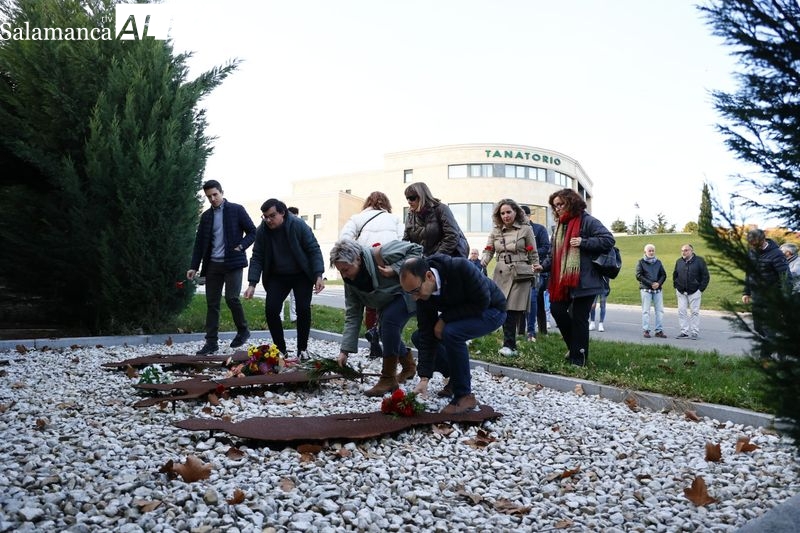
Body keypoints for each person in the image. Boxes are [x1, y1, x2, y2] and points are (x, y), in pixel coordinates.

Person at [400, 255, 506, 414]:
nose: (415, 297)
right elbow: (426, 334)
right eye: (410, 293)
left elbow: (482, 301)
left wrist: (444, 319)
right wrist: (424, 379)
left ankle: (464, 396)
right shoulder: (423, 295)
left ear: (429, 276)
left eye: (416, 291)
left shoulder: (460, 267)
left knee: (452, 332)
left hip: (492, 309)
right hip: (466, 311)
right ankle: (455, 379)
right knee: (418, 337)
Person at [331, 239, 421, 396]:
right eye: (340, 271)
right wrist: (344, 351)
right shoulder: (350, 282)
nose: (344, 275)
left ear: (358, 259)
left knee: (389, 322)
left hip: (409, 292)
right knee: (385, 329)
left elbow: (417, 250)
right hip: (389, 300)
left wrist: (395, 268)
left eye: (346, 269)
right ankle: (409, 367)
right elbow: (353, 314)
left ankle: (388, 378)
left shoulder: (382, 253)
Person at [535, 188, 614, 366]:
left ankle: (579, 360)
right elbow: (553, 254)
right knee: (556, 310)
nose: (558, 209)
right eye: (555, 206)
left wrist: (583, 242)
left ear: (571, 202)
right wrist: (543, 266)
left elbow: (608, 239)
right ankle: (575, 348)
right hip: (563, 281)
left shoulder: (587, 221)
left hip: (586, 281)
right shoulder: (559, 228)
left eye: (561, 204)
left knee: (579, 319)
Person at [244, 199, 325, 360]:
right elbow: (257, 256)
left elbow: (313, 249)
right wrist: (252, 283)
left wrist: (318, 274)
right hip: (277, 276)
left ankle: (302, 349)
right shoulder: (262, 231)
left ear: (282, 212)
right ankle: (281, 350)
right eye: (265, 217)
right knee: (271, 309)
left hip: (301, 274)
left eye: (272, 216)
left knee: (303, 309)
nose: (268, 220)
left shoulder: (298, 225)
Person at [187, 180, 257, 355]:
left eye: (215, 194)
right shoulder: (206, 216)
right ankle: (211, 342)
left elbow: (252, 231)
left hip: (233, 263)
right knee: (212, 304)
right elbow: (199, 243)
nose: (212, 199)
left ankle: (243, 331)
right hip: (212, 265)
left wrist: (241, 246)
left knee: (232, 298)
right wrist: (194, 266)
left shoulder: (236, 210)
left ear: (221, 192)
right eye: (209, 196)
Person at [339, 191, 404, 358]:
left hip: (362, 262)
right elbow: (403, 240)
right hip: (388, 260)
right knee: (389, 304)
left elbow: (344, 238)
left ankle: (373, 334)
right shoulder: (394, 218)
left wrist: (355, 254)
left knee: (368, 300)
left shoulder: (357, 218)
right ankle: (389, 339)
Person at [480, 199, 539, 356]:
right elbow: (489, 249)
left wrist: (536, 268)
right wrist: (484, 260)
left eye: (508, 212)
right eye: (502, 213)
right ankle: (508, 343)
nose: (505, 215)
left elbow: (532, 251)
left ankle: (509, 346)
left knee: (512, 309)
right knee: (500, 306)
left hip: (520, 273)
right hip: (501, 273)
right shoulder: (495, 231)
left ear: (516, 212)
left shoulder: (526, 230)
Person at [742, 229, 789, 357]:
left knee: (769, 329)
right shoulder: (751, 252)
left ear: (763, 240)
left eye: (755, 244)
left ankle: (765, 358)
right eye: (751, 244)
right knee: (758, 327)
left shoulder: (777, 254)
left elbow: (786, 278)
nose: (753, 247)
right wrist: (746, 292)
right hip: (757, 298)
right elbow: (749, 273)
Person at [403, 182, 468, 257]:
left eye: (412, 198)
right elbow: (405, 242)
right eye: (407, 198)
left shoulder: (441, 209)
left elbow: (452, 236)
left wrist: (435, 258)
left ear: (422, 196)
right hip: (425, 260)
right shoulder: (410, 216)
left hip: (446, 259)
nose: (409, 201)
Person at [521, 205, 551, 340]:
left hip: (537, 270)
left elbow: (546, 247)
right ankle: (521, 331)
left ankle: (542, 331)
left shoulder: (539, 229)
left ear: (528, 215)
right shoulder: (518, 231)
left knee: (535, 300)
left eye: (522, 215)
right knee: (522, 302)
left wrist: (530, 253)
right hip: (521, 270)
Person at [673, 243, 710, 340]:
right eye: (682, 250)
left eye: (686, 250)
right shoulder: (679, 261)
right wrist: (676, 286)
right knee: (681, 311)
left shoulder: (699, 261)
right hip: (681, 291)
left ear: (691, 251)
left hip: (694, 291)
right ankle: (684, 332)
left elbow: (706, 276)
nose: (684, 252)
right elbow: (675, 274)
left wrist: (700, 290)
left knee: (694, 312)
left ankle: (694, 332)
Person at [636, 244, 667, 338]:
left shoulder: (658, 262)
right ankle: (646, 330)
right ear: (645, 252)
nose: (651, 252)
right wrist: (651, 283)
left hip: (658, 290)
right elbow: (638, 275)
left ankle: (659, 331)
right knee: (646, 311)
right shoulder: (641, 262)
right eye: (649, 250)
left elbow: (663, 275)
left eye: (653, 250)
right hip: (646, 290)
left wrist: (658, 283)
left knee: (660, 311)